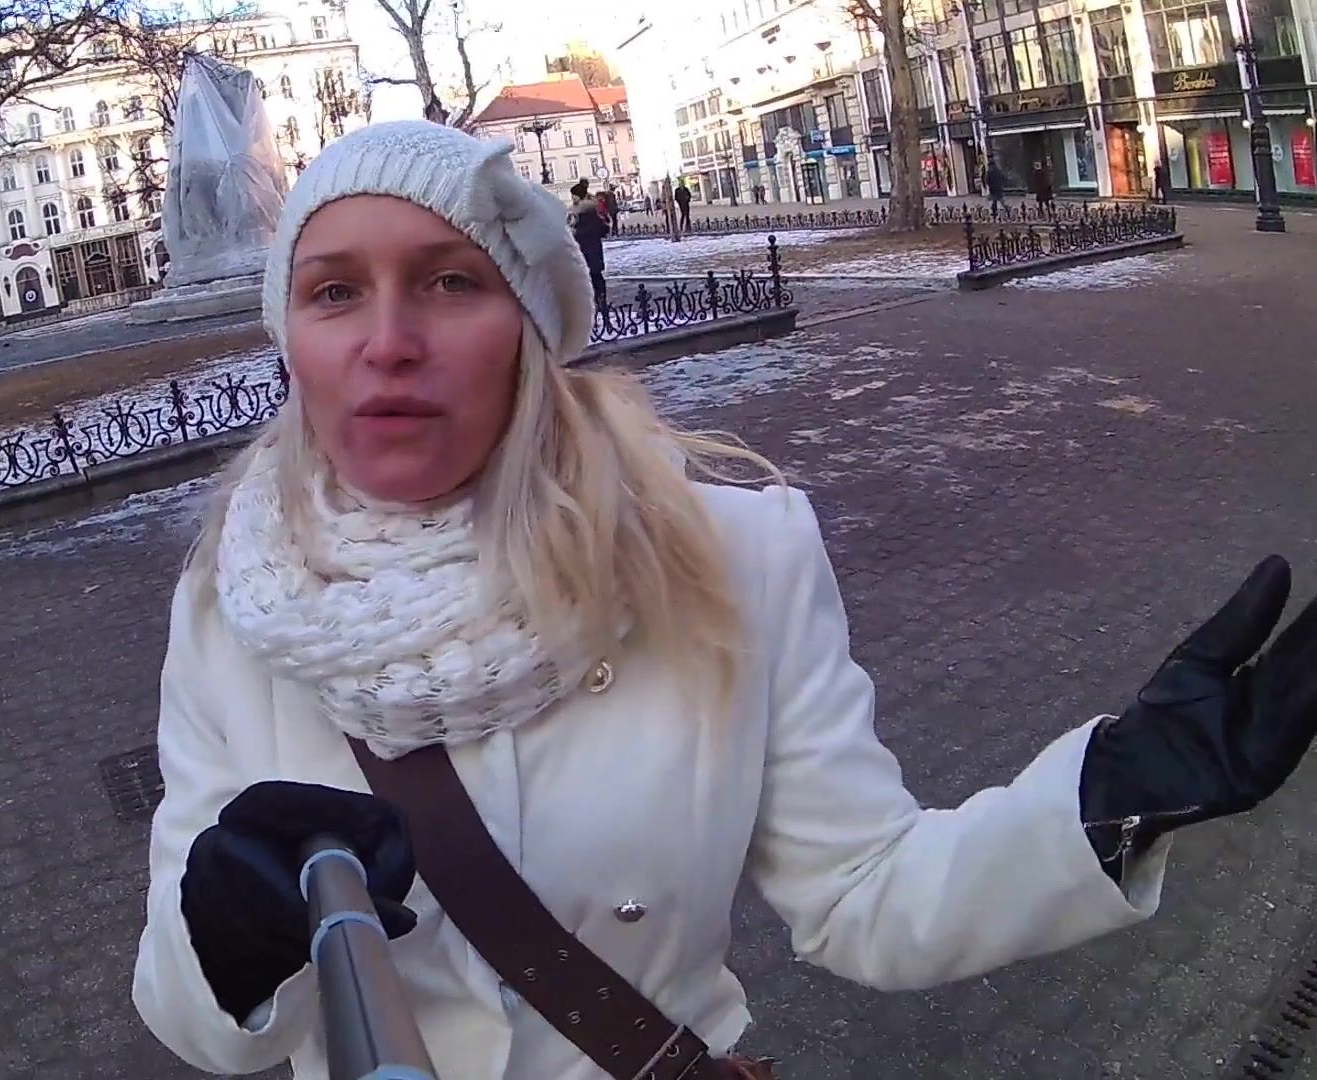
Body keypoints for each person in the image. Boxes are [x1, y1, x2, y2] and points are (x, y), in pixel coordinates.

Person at [129, 120, 1317, 1080]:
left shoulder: (733, 557)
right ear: (291, 335)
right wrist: (223, 947)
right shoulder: (233, 611)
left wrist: (1106, 802)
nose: (387, 340)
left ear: (530, 330)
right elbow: (198, 1029)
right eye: (335, 292)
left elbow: (863, 896)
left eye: (449, 281)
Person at [566, 178, 610, 321]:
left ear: (579, 196)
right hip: (586, 250)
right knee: (591, 279)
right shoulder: (575, 212)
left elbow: (600, 229)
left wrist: (576, 232)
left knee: (594, 278)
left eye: (574, 195)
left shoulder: (586, 212)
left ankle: (599, 304)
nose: (572, 198)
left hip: (589, 250)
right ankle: (597, 304)